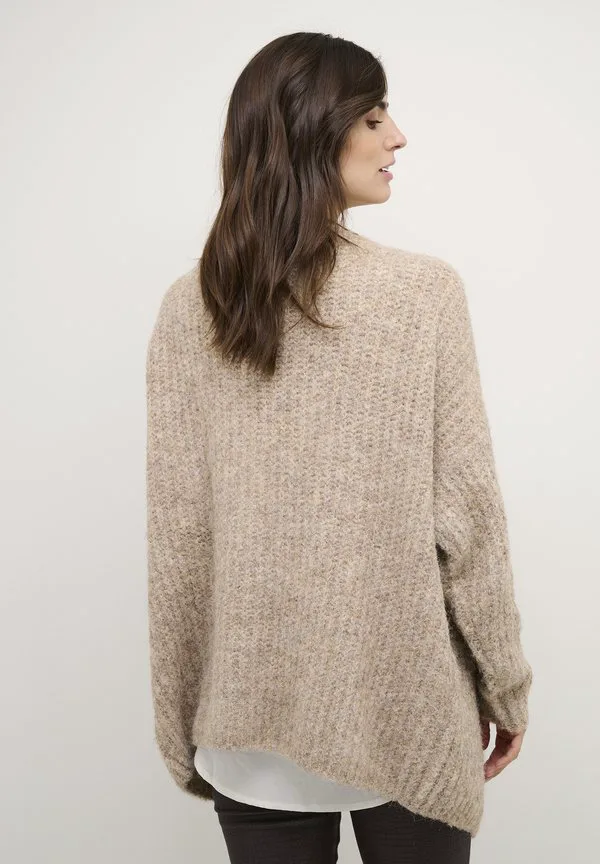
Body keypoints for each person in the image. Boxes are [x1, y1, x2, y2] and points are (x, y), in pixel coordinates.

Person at [145, 31, 533, 864]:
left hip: (246, 725)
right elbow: (469, 520)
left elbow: (180, 544)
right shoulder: (422, 293)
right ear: (314, 129)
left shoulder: (191, 306)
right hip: (403, 717)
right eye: (374, 116)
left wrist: (180, 720)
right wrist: (506, 685)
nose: (398, 137)